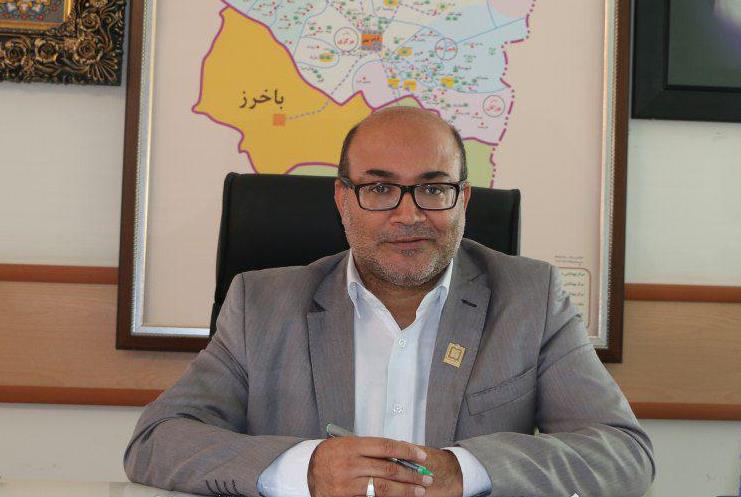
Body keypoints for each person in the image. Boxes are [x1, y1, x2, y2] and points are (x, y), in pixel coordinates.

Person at [124, 107, 655, 497]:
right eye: (380, 189)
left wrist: (465, 472)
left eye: (433, 188)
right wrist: (306, 470)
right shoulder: (261, 305)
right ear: (342, 198)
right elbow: (156, 440)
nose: (409, 214)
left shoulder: (530, 299)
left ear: (464, 200)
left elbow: (623, 453)